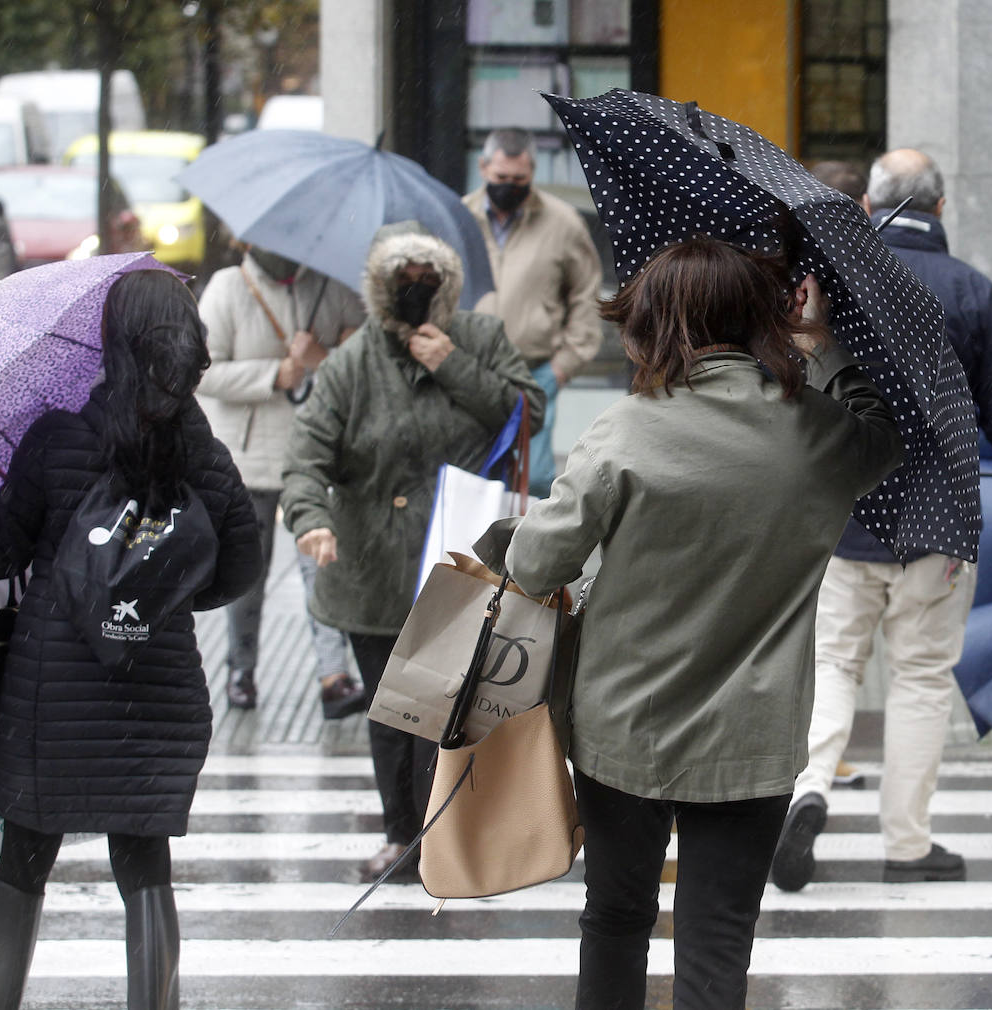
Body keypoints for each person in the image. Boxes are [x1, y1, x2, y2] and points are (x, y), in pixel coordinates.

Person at [476, 238, 903, 1009]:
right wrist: (825, 341)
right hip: (754, 738)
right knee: (718, 943)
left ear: (665, 326)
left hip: (624, 727)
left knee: (615, 918)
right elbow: (882, 427)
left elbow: (537, 567)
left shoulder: (628, 430)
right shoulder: (821, 434)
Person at [770, 149, 992, 892]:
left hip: (845, 510)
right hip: (937, 524)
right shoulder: (973, 292)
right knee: (919, 680)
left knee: (832, 663)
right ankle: (906, 844)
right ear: (941, 210)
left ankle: (809, 789)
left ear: (869, 206)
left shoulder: (841, 284)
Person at [0, 269, 263, 1010]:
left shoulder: (55, 441)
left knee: (23, 862)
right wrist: (157, 597)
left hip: (50, 696)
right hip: (157, 692)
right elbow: (240, 569)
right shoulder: (207, 460)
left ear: (109, 344)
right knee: (145, 867)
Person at [280, 221, 544, 882]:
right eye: (404, 282)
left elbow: (529, 410)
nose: (417, 292)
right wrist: (312, 519)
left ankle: (442, 838)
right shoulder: (352, 362)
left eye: (430, 281)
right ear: (380, 289)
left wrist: (451, 364)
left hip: (458, 563)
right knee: (391, 709)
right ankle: (402, 832)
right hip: (371, 569)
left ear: (449, 286)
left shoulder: (478, 337)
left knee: (446, 709)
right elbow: (306, 455)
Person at [196, 244, 365, 717]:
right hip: (248, 459)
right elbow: (204, 369)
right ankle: (240, 670)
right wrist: (276, 373)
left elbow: (362, 360)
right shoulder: (229, 287)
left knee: (322, 566)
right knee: (247, 573)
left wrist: (319, 357)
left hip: (316, 456)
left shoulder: (331, 287)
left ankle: (334, 675)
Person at [463, 127, 604, 496]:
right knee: (472, 474)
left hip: (536, 369)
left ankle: (523, 554)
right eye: (501, 178)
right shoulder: (460, 217)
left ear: (533, 173)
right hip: (471, 369)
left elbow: (587, 293)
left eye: (519, 179)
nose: (509, 185)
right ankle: (473, 554)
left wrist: (564, 365)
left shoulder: (563, 222)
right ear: (482, 168)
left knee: (535, 478)